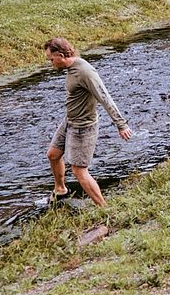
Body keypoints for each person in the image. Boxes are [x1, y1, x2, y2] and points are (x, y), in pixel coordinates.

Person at [43, 37, 132, 206]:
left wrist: (121, 124)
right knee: (53, 155)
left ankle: (105, 209)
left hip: (83, 127)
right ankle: (61, 190)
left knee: (79, 171)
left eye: (51, 59)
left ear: (61, 55)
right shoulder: (71, 68)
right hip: (69, 121)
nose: (51, 63)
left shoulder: (85, 72)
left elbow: (105, 97)